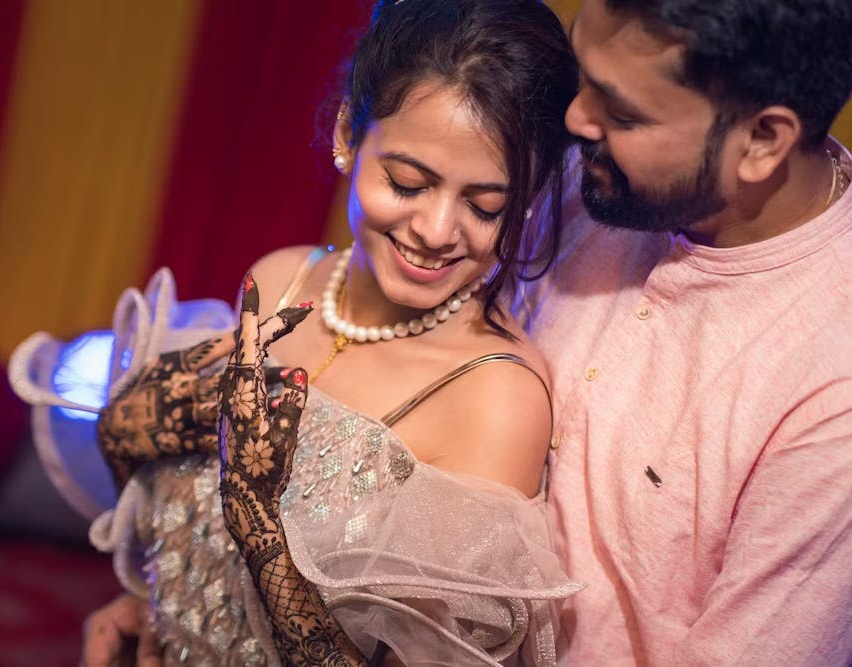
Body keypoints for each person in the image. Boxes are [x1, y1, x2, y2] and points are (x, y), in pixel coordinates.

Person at [73, 0, 581, 665]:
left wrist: (262, 530)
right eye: (407, 182)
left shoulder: (495, 399)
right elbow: (189, 520)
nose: (436, 230)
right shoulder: (280, 280)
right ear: (347, 134)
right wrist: (151, 600)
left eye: (486, 206)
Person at [513, 0, 852, 664]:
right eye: (583, 73)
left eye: (623, 114)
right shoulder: (601, 175)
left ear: (762, 140)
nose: (575, 118)